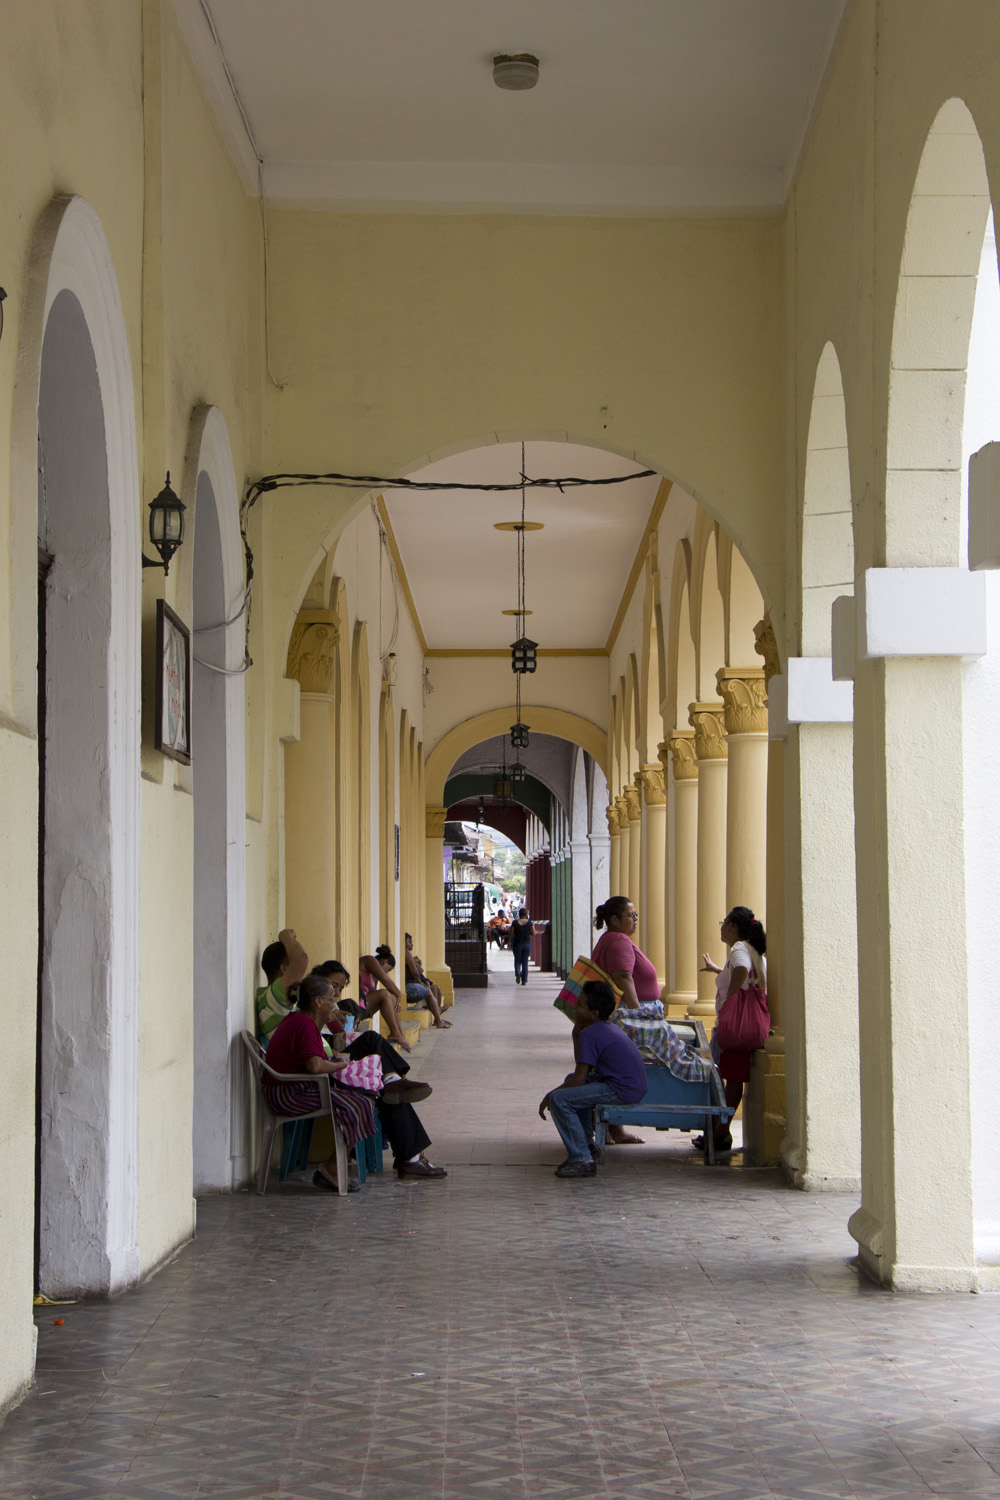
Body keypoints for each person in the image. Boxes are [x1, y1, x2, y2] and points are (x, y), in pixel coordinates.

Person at [265, 973, 447, 1185]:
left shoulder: (305, 1021)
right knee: (365, 1099)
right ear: (318, 1001)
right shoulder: (303, 1024)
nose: (335, 1003)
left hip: (304, 1085)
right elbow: (314, 1065)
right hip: (290, 1092)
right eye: (332, 997)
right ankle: (338, 1168)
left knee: (379, 1090)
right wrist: (339, 1065)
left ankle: (393, 1087)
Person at [539, 981, 648, 1178]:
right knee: (569, 1081)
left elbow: (580, 1079)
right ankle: (588, 1146)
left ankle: (581, 1158)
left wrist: (550, 1094)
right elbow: (581, 1072)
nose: (574, 1007)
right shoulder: (604, 1027)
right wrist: (576, 1035)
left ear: (594, 1013)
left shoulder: (590, 1033)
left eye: (580, 1004)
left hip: (622, 1090)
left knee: (560, 1099)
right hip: (629, 1085)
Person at [591, 895, 662, 1144]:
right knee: (620, 1071)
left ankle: (614, 1129)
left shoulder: (611, 939)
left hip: (620, 1015)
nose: (635, 920)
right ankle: (607, 1126)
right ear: (614, 919)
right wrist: (638, 1012)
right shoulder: (619, 940)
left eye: (636, 915)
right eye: (631, 916)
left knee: (614, 1069)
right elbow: (623, 976)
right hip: (629, 1015)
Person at [699, 906, 768, 1153]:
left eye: (723, 922)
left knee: (725, 1078)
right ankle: (719, 1128)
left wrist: (730, 999)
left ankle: (720, 1130)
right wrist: (720, 971)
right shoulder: (751, 949)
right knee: (731, 1077)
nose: (721, 926)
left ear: (731, 926)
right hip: (748, 1025)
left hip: (736, 1026)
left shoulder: (739, 948)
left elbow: (742, 971)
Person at [255, 928, 309, 1040]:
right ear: (284, 968)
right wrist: (287, 936)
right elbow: (301, 958)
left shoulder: (273, 997)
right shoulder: (276, 996)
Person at [356, 945, 414, 1051]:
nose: (386, 973)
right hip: (357, 1003)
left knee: (391, 997)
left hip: (365, 1004)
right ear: (384, 962)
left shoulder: (374, 976)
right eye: (388, 969)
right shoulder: (370, 960)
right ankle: (396, 1033)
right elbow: (386, 980)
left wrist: (395, 997)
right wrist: (399, 994)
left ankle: (399, 1034)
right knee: (386, 994)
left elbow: (373, 993)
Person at [404, 933, 451, 1028]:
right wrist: (420, 982)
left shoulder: (401, 952)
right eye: (409, 942)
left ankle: (438, 1017)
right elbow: (415, 973)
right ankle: (438, 1020)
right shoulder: (406, 953)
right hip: (407, 986)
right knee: (428, 991)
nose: (411, 944)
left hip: (405, 985)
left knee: (432, 989)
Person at [510, 908, 534, 986]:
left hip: (517, 944)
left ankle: (518, 972)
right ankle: (524, 980)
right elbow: (534, 933)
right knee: (525, 962)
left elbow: (511, 933)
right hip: (527, 944)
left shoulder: (515, 923)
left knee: (517, 961)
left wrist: (508, 942)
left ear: (519, 914)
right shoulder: (530, 923)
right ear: (526, 914)